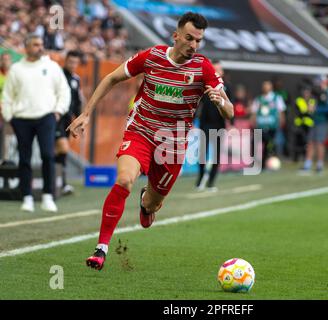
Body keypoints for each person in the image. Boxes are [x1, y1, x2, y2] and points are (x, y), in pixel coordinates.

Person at [67, 12, 234, 270]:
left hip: (172, 145)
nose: (193, 45)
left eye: (198, 40)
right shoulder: (152, 57)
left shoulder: (203, 68)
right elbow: (112, 78)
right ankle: (101, 248)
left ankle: (147, 203)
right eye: (189, 38)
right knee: (124, 180)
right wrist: (86, 113)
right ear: (175, 36)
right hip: (141, 131)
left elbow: (230, 111)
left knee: (152, 204)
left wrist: (220, 100)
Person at [1, 34, 71, 212]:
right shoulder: (17, 69)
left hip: (46, 117)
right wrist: (10, 116)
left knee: (48, 155)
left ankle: (48, 195)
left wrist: (58, 111)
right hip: (21, 119)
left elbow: (64, 91)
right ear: (27, 47)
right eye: (35, 44)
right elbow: (7, 96)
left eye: (41, 44)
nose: (40, 47)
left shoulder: (52, 66)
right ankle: (27, 197)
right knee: (24, 158)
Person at [195, 59, 233, 192]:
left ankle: (211, 182)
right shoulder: (205, 85)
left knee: (216, 154)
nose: (217, 71)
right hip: (205, 123)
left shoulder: (227, 87)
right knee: (202, 154)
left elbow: (230, 105)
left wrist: (231, 124)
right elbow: (197, 103)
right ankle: (200, 179)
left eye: (219, 69)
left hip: (219, 124)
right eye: (215, 69)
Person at [55, 50, 84, 195]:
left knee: (60, 152)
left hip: (67, 120)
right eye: (70, 62)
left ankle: (60, 182)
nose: (73, 65)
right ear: (65, 61)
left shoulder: (76, 79)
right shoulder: (58, 75)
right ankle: (57, 180)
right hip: (56, 118)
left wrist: (79, 120)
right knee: (62, 148)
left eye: (75, 62)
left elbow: (78, 102)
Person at [300, 75, 328, 174]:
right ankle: (308, 164)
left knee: (319, 142)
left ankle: (320, 165)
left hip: (322, 121)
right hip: (314, 120)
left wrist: (316, 109)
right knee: (310, 141)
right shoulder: (316, 92)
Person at [251, 80, 286, 170]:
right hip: (260, 126)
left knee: (268, 145)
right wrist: (253, 123)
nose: (265, 87)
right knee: (255, 144)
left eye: (267, 85)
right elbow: (254, 112)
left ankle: (264, 164)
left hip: (272, 126)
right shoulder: (258, 99)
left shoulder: (276, 98)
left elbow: (281, 111)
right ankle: (255, 163)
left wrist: (281, 122)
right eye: (264, 85)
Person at [293, 85, 315, 163]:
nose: (306, 94)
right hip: (300, 124)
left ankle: (306, 158)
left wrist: (310, 110)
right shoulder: (299, 100)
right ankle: (297, 158)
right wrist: (308, 110)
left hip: (309, 125)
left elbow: (313, 111)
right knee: (299, 142)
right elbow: (301, 111)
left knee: (308, 142)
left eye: (307, 92)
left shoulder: (312, 100)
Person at [0, 52, 12, 160]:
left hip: (10, 112)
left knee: (8, 139)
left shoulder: (14, 76)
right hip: (0, 112)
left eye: (7, 59)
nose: (5, 61)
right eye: (3, 59)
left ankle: (6, 160)